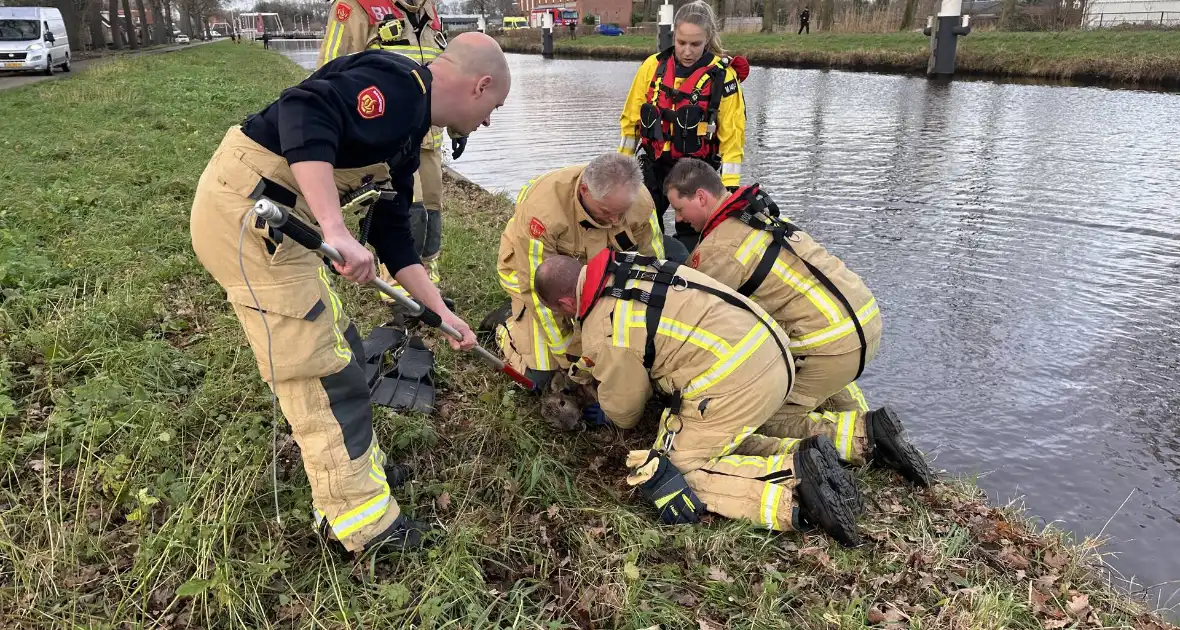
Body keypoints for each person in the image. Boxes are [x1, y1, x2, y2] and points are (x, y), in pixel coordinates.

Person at [189, 34, 510, 557]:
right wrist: (335, 230)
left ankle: (357, 473)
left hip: (283, 229)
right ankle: (361, 523)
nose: (490, 120)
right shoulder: (397, 88)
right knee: (321, 373)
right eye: (494, 107)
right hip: (247, 218)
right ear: (481, 86)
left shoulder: (409, 135)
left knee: (342, 345)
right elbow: (304, 108)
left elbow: (393, 238)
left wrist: (442, 312)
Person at [534, 251, 863, 546]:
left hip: (737, 378)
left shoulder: (603, 330)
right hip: (773, 353)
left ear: (565, 304)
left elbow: (627, 406)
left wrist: (609, 412)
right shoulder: (628, 263)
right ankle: (815, 449)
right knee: (720, 439)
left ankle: (794, 490)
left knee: (670, 469)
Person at [662, 158, 931, 487]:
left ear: (701, 197)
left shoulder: (719, 249)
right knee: (823, 382)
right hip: (866, 321)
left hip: (829, 346)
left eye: (679, 208)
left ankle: (865, 439)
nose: (678, 219)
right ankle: (873, 423)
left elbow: (693, 317)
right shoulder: (758, 212)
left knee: (767, 422)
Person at [485, 153, 688, 395]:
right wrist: (571, 361)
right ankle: (506, 323)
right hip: (538, 282)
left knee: (676, 255)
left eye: (621, 213)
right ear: (584, 191)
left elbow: (652, 263)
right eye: (606, 212)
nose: (614, 221)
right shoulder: (544, 212)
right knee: (541, 378)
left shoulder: (640, 202)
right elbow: (539, 292)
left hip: (595, 274)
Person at [317, 0, 465, 308]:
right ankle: (400, 293)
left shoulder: (428, 10)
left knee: (432, 212)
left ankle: (427, 288)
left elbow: (446, 76)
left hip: (428, 138)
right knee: (408, 211)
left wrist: (458, 128)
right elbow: (327, 74)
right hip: (386, 136)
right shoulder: (356, 7)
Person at [618, 0, 745, 251]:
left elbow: (733, 136)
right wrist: (623, 167)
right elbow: (630, 121)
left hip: (696, 172)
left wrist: (728, 190)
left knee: (692, 238)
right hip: (655, 165)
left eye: (695, 44)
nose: (687, 51)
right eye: (682, 43)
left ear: (707, 39)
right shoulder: (652, 67)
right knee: (639, 226)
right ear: (674, 36)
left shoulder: (723, 77)